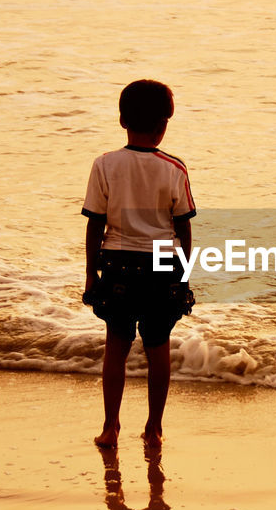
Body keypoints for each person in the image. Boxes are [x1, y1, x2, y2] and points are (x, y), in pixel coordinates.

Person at [82, 80, 196, 449]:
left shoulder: (105, 164)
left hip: (116, 262)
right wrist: (185, 272)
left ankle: (110, 426)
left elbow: (95, 222)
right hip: (163, 264)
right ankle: (154, 427)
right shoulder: (174, 168)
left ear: (121, 119)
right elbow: (183, 225)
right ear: (164, 124)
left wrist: (90, 271)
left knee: (116, 345)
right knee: (158, 345)